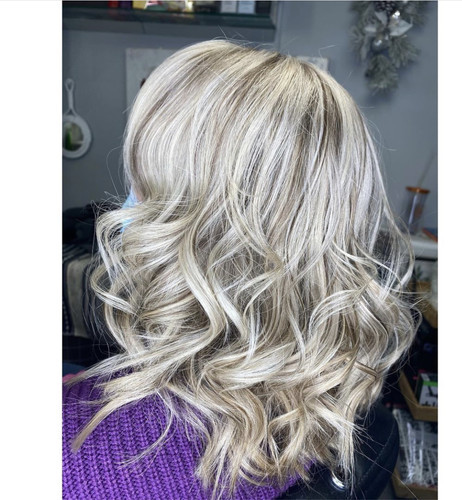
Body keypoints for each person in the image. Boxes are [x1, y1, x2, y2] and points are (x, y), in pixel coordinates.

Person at [63, 40, 416, 500]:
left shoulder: (74, 451)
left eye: (141, 184)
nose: (123, 211)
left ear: (191, 229)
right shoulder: (350, 410)